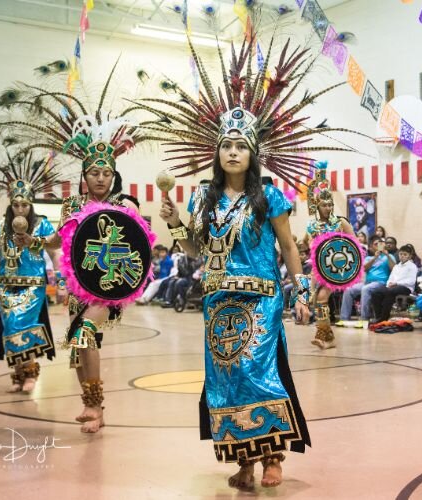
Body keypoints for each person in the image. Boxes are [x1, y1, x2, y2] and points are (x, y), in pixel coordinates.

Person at [150, 34, 365, 489]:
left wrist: (301, 290)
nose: (233, 152)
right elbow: (194, 249)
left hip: (262, 298)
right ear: (217, 153)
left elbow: (289, 247)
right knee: (225, 381)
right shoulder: (202, 198)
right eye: (226, 145)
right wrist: (173, 224)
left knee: (262, 374)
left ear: (252, 153)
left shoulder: (269, 195)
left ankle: (273, 456)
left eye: (241, 146)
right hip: (218, 300)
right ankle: (242, 463)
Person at [0, 67, 154, 433]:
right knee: (78, 353)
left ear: (113, 175)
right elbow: (58, 241)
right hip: (80, 291)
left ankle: (95, 408)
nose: (100, 178)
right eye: (93, 172)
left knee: (83, 335)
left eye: (106, 173)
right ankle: (92, 406)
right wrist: (32, 242)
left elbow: (142, 247)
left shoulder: (126, 205)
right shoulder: (72, 207)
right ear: (84, 174)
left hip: (109, 289)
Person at [0, 151, 63, 394]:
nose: (20, 208)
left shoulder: (42, 224)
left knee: (23, 325)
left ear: (31, 205)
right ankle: (16, 376)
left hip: (33, 285)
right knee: (9, 328)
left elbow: (55, 253)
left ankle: (31, 374)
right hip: (7, 285)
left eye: (24, 204)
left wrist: (60, 281)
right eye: (16, 204)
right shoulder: (2, 225)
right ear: (11, 204)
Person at [303, 161, 354, 349]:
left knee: (322, 298)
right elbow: (305, 243)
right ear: (317, 206)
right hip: (318, 266)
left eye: (330, 204)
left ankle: (323, 336)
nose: (328, 207)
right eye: (324, 204)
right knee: (317, 300)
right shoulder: (312, 225)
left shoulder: (341, 222)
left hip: (336, 267)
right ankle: (327, 336)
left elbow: (354, 245)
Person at [340, 235, 396, 322]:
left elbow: (394, 269)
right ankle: (344, 318)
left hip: (381, 283)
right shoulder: (368, 258)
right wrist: (375, 258)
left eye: (379, 243)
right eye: (375, 244)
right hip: (367, 282)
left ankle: (364, 319)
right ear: (370, 248)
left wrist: (387, 255)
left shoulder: (389, 256)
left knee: (366, 289)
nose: (378, 245)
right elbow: (364, 269)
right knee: (348, 289)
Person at [370, 244, 419, 323]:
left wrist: (396, 283)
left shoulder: (412, 266)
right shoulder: (396, 266)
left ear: (409, 256)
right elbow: (391, 278)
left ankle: (384, 317)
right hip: (393, 287)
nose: (402, 256)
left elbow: (411, 281)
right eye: (401, 254)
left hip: (405, 288)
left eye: (405, 254)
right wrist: (389, 284)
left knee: (390, 292)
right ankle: (378, 317)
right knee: (376, 292)